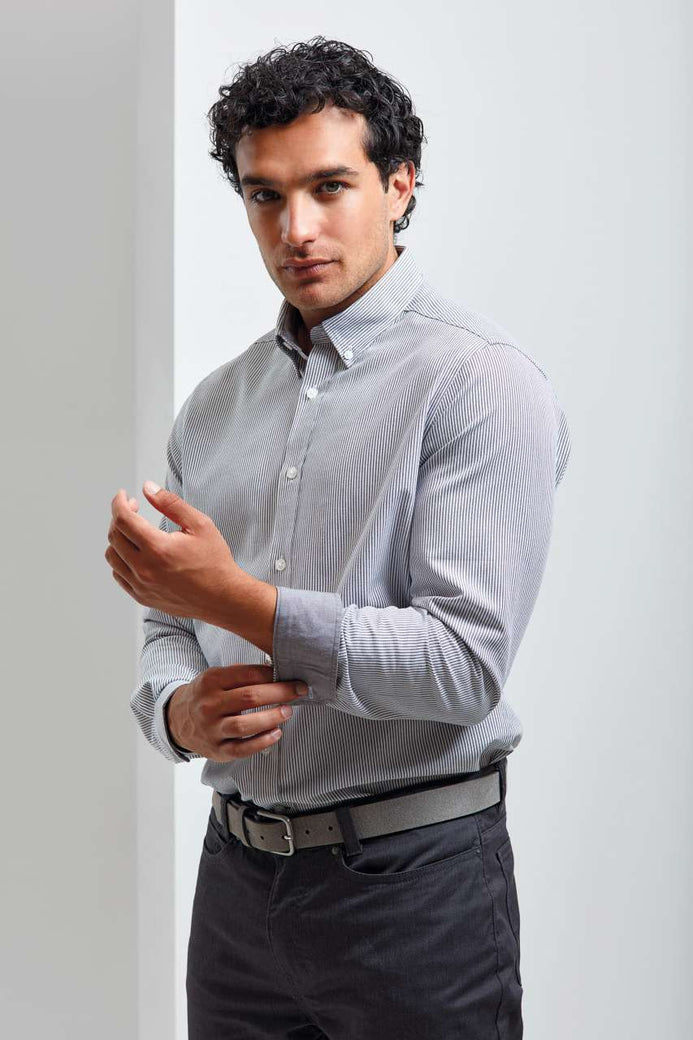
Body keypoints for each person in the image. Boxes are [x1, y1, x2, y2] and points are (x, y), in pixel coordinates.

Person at [106, 35, 571, 1040]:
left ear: (400, 185)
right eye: (264, 195)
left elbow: (463, 665)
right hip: (236, 885)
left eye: (329, 186)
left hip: (415, 891)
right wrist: (179, 713)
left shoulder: (479, 382)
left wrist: (234, 599)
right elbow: (168, 621)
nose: (296, 228)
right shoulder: (215, 407)